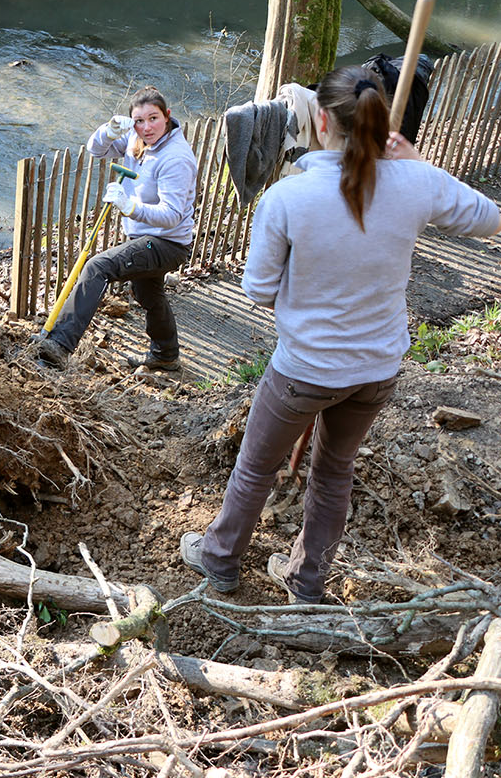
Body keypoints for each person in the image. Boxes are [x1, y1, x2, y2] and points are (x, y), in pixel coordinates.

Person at [182, 65, 500, 604]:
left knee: (255, 468)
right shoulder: (416, 183)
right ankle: (306, 583)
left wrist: (310, 292)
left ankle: (219, 561)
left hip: (304, 370)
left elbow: (257, 290)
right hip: (377, 369)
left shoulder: (288, 198)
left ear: (322, 120)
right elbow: (490, 217)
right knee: (334, 475)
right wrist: (418, 166)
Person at [33, 86, 198, 371]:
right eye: (139, 120)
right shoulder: (138, 138)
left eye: (153, 118)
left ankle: (59, 345)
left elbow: (172, 215)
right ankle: (166, 354)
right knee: (149, 294)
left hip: (168, 243)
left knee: (99, 267)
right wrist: (108, 131)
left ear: (167, 116)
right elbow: (96, 151)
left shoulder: (176, 158)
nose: (146, 127)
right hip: (145, 236)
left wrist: (130, 206)